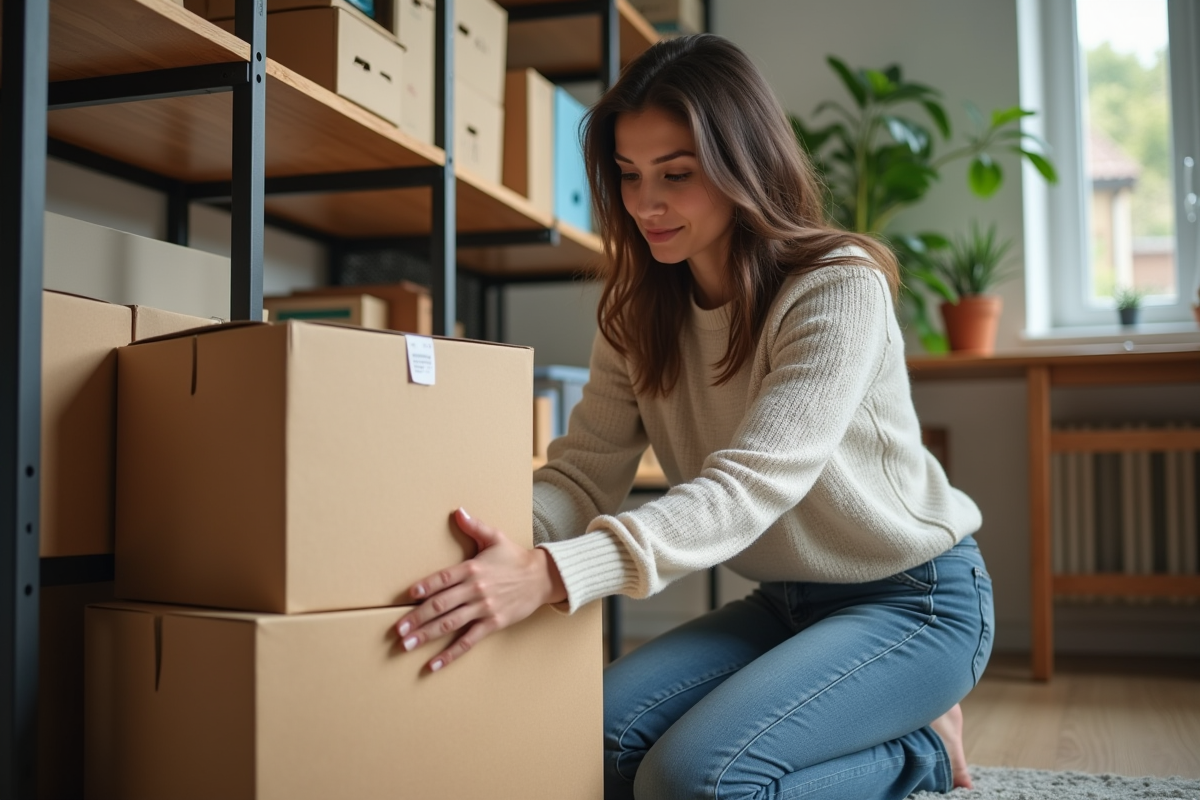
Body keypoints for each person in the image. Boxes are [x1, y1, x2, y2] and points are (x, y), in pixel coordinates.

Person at [394, 33, 993, 800]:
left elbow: (750, 486)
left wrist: (547, 576)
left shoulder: (838, 286)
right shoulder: (638, 310)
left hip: (914, 601)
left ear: (746, 164)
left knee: (693, 783)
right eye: (629, 175)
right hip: (784, 603)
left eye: (676, 174)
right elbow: (580, 476)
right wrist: (496, 547)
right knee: (586, 752)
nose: (646, 203)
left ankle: (922, 755)